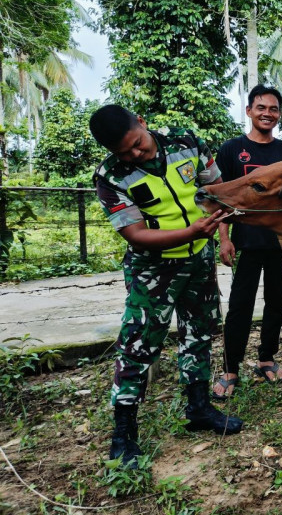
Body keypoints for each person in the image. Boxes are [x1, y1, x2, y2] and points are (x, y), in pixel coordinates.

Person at [90, 105, 243, 469]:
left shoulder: (186, 143)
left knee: (199, 334)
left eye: (137, 144)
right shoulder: (110, 176)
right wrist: (191, 232)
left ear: (143, 123)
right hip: (152, 270)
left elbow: (216, 192)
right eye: (124, 152)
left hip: (199, 260)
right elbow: (135, 234)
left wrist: (221, 235)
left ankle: (199, 408)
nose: (135, 154)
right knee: (138, 346)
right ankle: (124, 433)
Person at [212, 85, 282, 400]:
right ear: (249, 110)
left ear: (279, 115)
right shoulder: (231, 150)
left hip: (281, 244)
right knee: (240, 306)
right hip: (246, 243)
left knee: (277, 302)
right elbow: (224, 198)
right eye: (261, 107)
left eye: (273, 109)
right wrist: (224, 239)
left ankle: (266, 358)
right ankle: (230, 369)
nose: (267, 113)